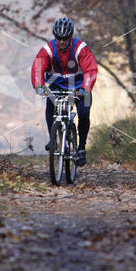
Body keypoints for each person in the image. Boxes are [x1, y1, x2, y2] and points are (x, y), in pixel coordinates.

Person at [31, 17, 98, 166]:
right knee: (50, 106)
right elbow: (38, 68)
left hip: (79, 85)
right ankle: (53, 139)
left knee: (84, 113)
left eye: (65, 38)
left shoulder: (81, 48)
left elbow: (91, 69)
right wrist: (39, 85)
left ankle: (81, 148)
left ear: (70, 37)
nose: (61, 41)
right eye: (58, 38)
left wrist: (85, 88)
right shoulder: (48, 49)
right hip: (57, 85)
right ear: (55, 36)